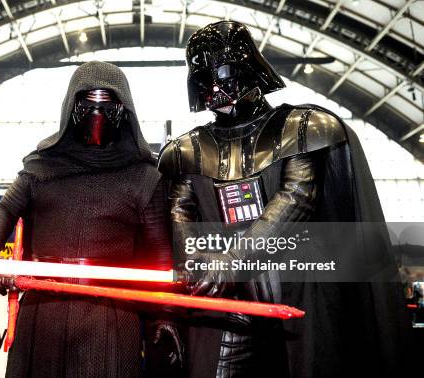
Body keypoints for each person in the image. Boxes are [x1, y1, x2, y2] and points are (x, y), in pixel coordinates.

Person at [159, 21, 412, 378]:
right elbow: (179, 208)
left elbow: (297, 197)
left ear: (248, 68)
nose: (217, 89)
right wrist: (196, 265)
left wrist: (231, 262)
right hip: (225, 299)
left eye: (225, 75)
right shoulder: (186, 150)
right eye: (206, 81)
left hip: (293, 285)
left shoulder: (302, 127)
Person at [0, 61, 178, 377]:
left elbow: (159, 251)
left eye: (107, 103)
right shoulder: (42, 167)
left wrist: (163, 313)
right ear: (72, 105)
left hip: (110, 310)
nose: (97, 112)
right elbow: (3, 211)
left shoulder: (143, 176)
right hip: (42, 307)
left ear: (124, 110)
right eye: (88, 102)